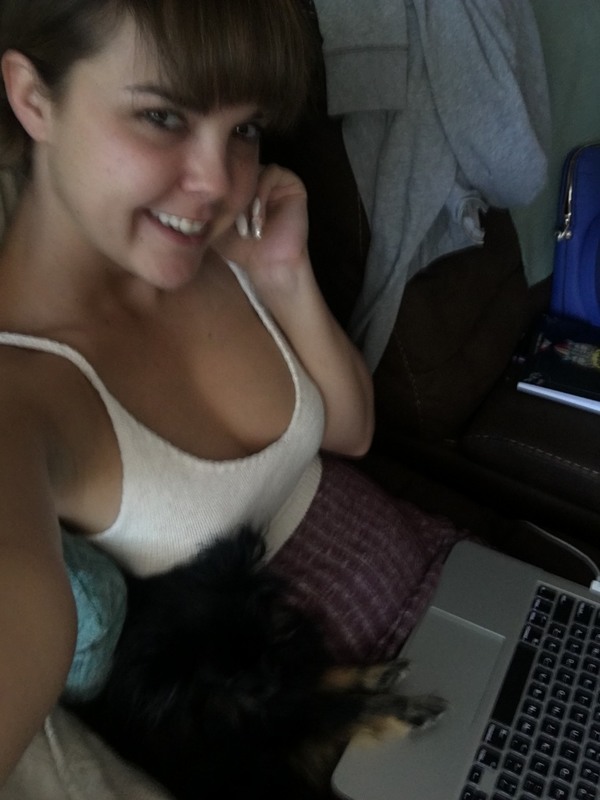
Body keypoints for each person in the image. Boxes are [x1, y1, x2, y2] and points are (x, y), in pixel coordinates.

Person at [0, 0, 466, 791]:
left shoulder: (205, 245)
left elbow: (351, 432)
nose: (217, 181)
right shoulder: (20, 397)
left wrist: (285, 275)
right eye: (161, 116)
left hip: (458, 581)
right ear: (33, 97)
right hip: (357, 743)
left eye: (245, 128)